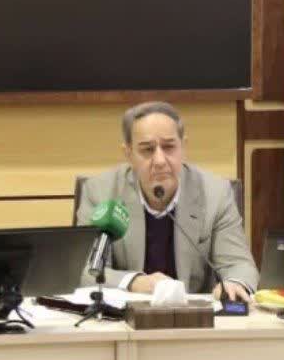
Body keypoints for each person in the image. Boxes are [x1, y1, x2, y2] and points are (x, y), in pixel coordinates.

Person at [76, 101, 258, 301]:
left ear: (183, 147)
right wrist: (133, 282)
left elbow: (239, 265)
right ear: (128, 154)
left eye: (169, 147)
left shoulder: (216, 194)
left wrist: (234, 283)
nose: (160, 161)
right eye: (147, 150)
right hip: (125, 316)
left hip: (194, 316)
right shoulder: (100, 192)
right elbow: (85, 271)